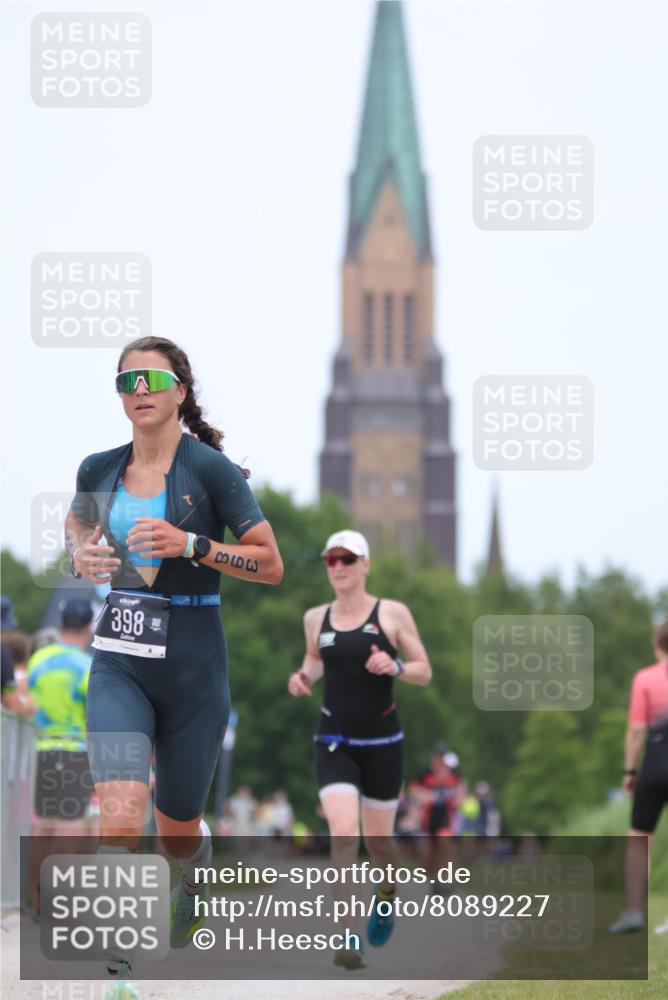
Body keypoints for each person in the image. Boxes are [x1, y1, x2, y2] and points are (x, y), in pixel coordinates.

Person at [64, 336, 283, 994]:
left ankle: (196, 864)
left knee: (177, 826)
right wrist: (82, 554)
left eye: (153, 378)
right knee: (122, 810)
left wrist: (192, 543)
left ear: (180, 391)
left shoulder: (210, 470)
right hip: (120, 660)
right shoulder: (98, 468)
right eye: (127, 380)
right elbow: (77, 526)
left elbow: (269, 563)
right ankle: (118, 973)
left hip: (194, 663)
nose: (139, 390)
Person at [287, 529, 431, 968]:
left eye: (348, 559)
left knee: (380, 843)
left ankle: (386, 894)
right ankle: (349, 936)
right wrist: (304, 677)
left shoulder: (392, 613)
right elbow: (316, 657)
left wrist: (397, 665)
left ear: (366, 564)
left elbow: (424, 671)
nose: (339, 567)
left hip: (384, 744)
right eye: (331, 560)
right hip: (334, 741)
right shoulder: (316, 617)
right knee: (345, 835)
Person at [25, 598, 95, 912]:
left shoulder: (38, 659)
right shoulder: (86, 665)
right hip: (74, 750)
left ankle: (33, 894)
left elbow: (27, 700)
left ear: (62, 623)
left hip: (40, 747)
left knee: (44, 825)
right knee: (72, 824)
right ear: (90, 627)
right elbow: (94, 712)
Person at [609, 621, 668, 935]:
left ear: (657, 645)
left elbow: (635, 730)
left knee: (639, 839)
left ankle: (633, 910)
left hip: (656, 764)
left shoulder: (645, 679)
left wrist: (629, 771)